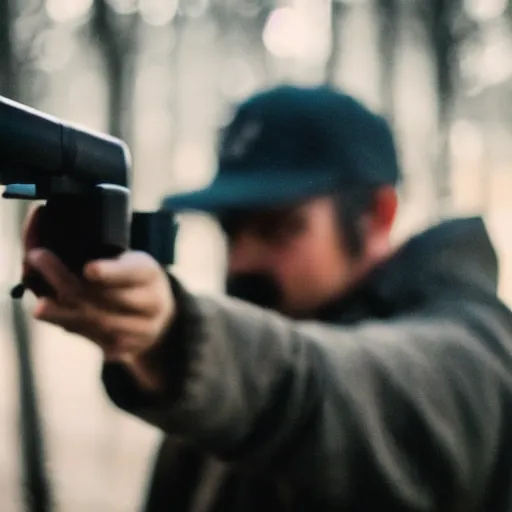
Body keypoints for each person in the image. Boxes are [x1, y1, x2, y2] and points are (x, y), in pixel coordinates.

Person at [21, 85, 512, 512]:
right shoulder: (233, 370)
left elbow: (328, 387)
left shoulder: (473, 353)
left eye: (277, 228)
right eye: (231, 233)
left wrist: (173, 339)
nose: (240, 264)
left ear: (376, 217)